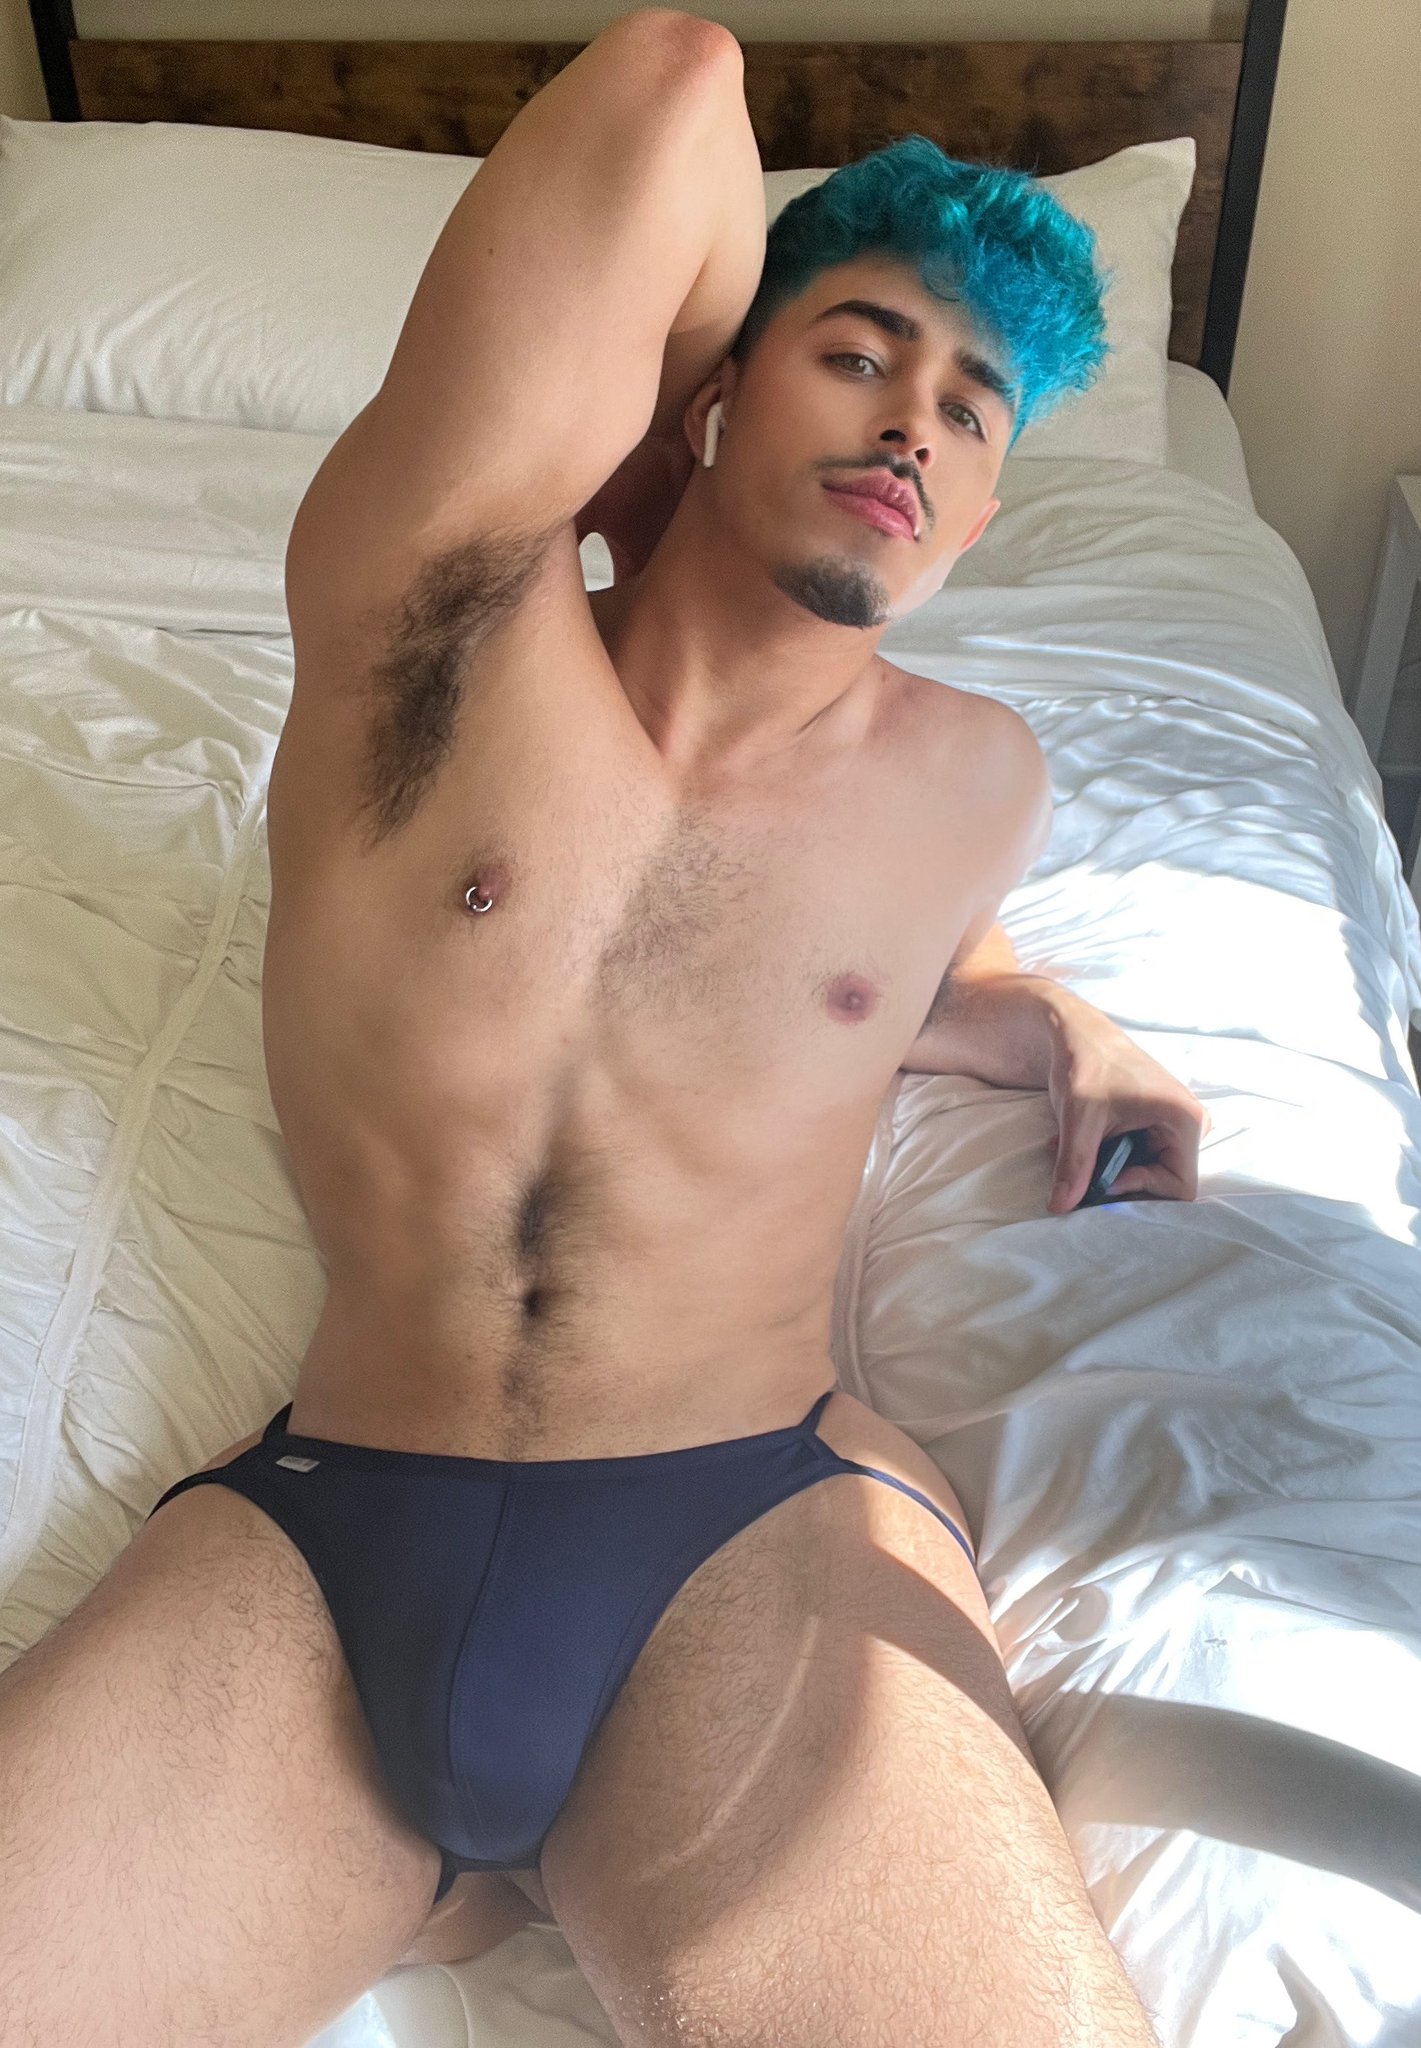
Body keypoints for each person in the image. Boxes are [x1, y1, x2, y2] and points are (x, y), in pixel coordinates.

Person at [0, 10, 1205, 2042]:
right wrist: (648, 468)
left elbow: (862, 974)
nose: (915, 425)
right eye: (858, 353)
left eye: (972, 407)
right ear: (710, 388)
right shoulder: (433, 626)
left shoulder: (972, 779)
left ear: (986, 509)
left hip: (753, 1530)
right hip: (333, 1541)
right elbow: (665, 84)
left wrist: (1054, 1023)